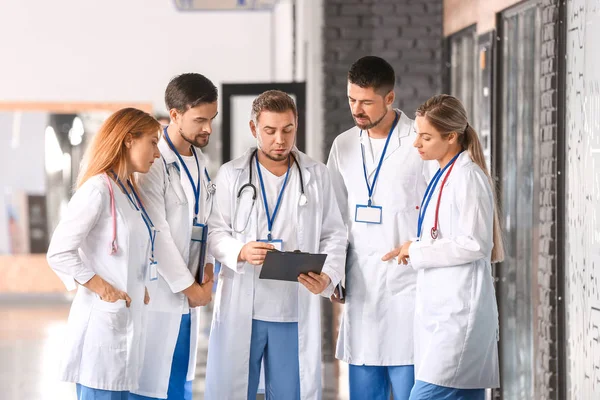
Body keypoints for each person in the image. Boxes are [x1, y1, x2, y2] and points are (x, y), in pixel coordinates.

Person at [204, 90, 347, 399]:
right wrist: (239, 250)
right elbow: (215, 232)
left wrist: (329, 275)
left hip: (291, 308)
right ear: (254, 129)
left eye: (287, 129)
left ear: (296, 125)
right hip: (245, 302)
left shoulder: (316, 175)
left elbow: (335, 233)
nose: (280, 139)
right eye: (270, 131)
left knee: (289, 392)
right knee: (234, 389)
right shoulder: (232, 174)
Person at [327, 55, 428, 400]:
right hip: (362, 286)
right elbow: (334, 217)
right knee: (364, 388)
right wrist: (334, 272)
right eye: (352, 99)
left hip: (408, 286)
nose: (357, 109)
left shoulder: (418, 142)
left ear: (389, 98)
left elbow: (436, 214)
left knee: (410, 386)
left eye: (367, 102)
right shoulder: (343, 145)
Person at [46, 108, 162, 399]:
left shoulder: (128, 191)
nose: (157, 153)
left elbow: (126, 249)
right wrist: (102, 287)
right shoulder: (97, 190)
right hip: (102, 327)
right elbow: (59, 251)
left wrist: (140, 283)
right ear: (128, 140)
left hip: (126, 324)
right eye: (153, 141)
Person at [394, 94, 503, 400]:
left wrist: (417, 251)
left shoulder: (468, 177)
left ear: (451, 137)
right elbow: (445, 234)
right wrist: (414, 245)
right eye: (417, 134)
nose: (417, 143)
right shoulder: (444, 173)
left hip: (458, 320)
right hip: (442, 315)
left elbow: (476, 244)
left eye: (426, 136)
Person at [129, 73, 218, 400]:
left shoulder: (203, 162)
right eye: (199, 120)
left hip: (189, 293)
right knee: (151, 385)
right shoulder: (153, 162)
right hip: (163, 292)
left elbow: (208, 223)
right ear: (175, 114)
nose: (207, 128)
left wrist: (207, 273)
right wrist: (190, 288)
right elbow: (158, 233)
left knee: (179, 384)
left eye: (212, 118)